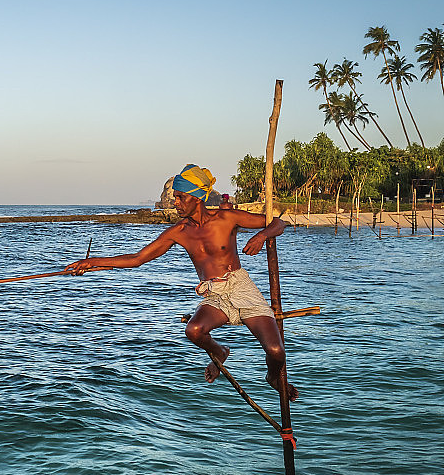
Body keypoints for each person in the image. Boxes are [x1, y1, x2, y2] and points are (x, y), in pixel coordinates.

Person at [67, 164, 297, 400]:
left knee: (276, 351)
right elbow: (137, 259)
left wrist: (261, 236)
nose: (175, 202)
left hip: (240, 286)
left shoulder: (227, 218)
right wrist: (91, 262)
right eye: (175, 197)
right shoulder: (178, 231)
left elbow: (278, 223)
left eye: (180, 197)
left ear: (197, 198)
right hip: (214, 293)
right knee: (194, 330)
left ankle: (272, 377)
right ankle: (219, 352)